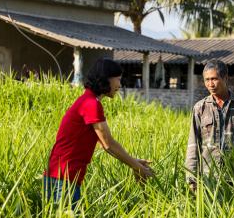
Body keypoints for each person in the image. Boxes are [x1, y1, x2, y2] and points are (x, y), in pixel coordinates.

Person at [44, 57, 154, 208]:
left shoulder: (88, 100)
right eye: (118, 80)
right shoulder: (91, 104)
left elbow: (104, 144)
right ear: (107, 79)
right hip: (63, 178)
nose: (119, 85)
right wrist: (138, 168)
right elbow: (109, 144)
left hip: (62, 176)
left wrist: (135, 163)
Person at [185, 59, 234, 192]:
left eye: (214, 79)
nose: (210, 84)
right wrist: (191, 178)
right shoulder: (200, 108)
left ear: (225, 78)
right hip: (208, 179)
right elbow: (193, 144)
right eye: (207, 80)